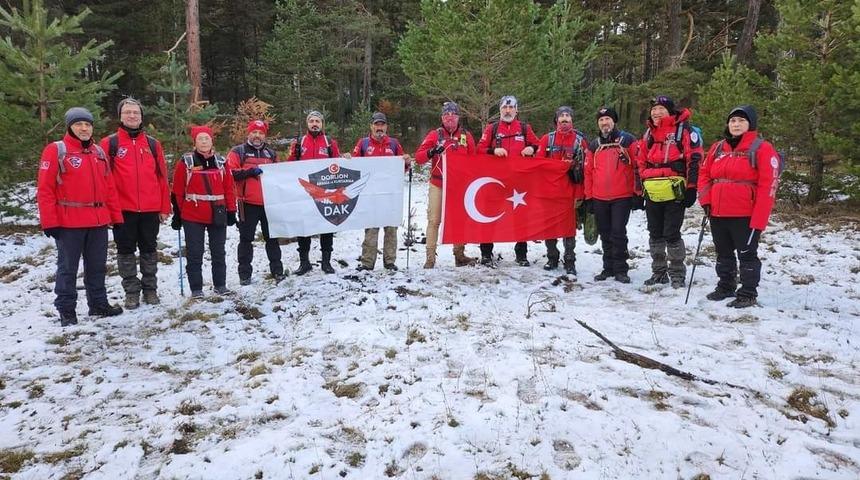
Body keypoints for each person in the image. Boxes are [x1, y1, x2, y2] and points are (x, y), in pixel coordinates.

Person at [37, 107, 124, 326]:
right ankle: (66, 310)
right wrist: (50, 221)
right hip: (69, 222)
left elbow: (109, 188)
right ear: (70, 127)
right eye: (79, 124)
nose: (84, 128)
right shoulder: (56, 150)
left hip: (97, 221)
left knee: (97, 266)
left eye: (87, 124)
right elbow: (45, 189)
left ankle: (98, 304)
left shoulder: (98, 152)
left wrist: (116, 217)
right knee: (68, 268)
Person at [698, 105, 779, 308]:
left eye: (741, 121)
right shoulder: (718, 148)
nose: (736, 124)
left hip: (745, 214)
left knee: (746, 254)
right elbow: (704, 174)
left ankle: (748, 292)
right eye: (733, 120)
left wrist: (759, 218)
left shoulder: (762, 148)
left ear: (750, 124)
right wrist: (706, 201)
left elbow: (768, 185)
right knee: (723, 253)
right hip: (717, 211)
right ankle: (726, 286)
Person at [100, 98, 170, 309]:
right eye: (128, 112)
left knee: (149, 249)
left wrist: (165, 206)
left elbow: (162, 177)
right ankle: (131, 291)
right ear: (120, 116)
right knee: (125, 251)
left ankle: (150, 289)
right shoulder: (109, 143)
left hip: (150, 209)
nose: (132, 116)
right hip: (123, 209)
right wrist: (109, 210)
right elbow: (104, 179)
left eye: (136, 113)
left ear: (141, 117)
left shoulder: (152, 144)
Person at [636, 95, 703, 288]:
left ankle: (677, 273)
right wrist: (641, 187)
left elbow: (695, 159)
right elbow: (641, 161)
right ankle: (658, 272)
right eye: (654, 109)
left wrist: (691, 187)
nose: (656, 112)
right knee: (655, 232)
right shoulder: (649, 133)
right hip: (653, 189)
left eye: (661, 109)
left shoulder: (685, 131)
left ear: (670, 111)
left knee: (671, 232)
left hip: (675, 189)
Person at [171, 125, 237, 298]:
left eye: (206, 138)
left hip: (218, 212)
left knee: (218, 251)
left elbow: (229, 188)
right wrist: (177, 214)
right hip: (193, 214)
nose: (204, 141)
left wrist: (232, 210)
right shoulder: (186, 162)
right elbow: (178, 190)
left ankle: (220, 285)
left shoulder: (221, 162)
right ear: (195, 142)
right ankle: (196, 289)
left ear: (211, 140)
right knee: (194, 252)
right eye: (200, 138)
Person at [476, 95, 541, 266]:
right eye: (504, 107)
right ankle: (486, 253)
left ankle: (521, 254)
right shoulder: (492, 128)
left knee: (521, 218)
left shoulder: (525, 128)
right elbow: (479, 149)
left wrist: (531, 148)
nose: (508, 110)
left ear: (516, 110)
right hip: (496, 181)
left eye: (511, 107)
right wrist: (493, 151)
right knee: (490, 216)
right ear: (500, 110)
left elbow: (539, 145)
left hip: (519, 182)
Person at [415, 101, 478, 269]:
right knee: (434, 220)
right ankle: (430, 257)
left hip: (459, 186)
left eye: (453, 115)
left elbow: (475, 161)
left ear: (458, 117)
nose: (450, 118)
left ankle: (459, 254)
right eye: (446, 115)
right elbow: (419, 157)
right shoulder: (435, 135)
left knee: (458, 219)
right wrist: (431, 151)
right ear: (442, 118)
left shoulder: (466, 136)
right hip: (438, 183)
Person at [584, 106, 640, 284]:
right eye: (601, 120)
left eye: (607, 119)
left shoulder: (628, 140)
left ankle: (621, 269)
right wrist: (589, 197)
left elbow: (638, 166)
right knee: (605, 232)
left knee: (618, 232)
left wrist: (637, 193)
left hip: (621, 196)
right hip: (599, 197)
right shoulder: (594, 145)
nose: (604, 123)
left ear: (614, 121)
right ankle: (608, 267)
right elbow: (588, 172)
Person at [227, 119, 284, 285]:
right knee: (246, 239)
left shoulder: (271, 154)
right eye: (254, 132)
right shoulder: (238, 151)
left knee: (272, 238)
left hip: (269, 203)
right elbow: (231, 173)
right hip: (247, 203)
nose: (257, 135)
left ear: (264, 135)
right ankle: (244, 274)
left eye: (260, 133)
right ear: (249, 133)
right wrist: (250, 171)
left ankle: (277, 270)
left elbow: (281, 175)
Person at [352, 112, 411, 271]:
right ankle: (367, 263)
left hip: (391, 194)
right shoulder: (363, 143)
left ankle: (389, 262)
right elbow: (354, 166)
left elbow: (403, 168)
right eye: (376, 125)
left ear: (386, 127)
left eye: (382, 125)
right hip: (370, 194)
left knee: (391, 228)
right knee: (371, 229)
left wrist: (406, 162)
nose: (379, 128)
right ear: (371, 126)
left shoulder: (394, 143)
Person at [287, 110, 342, 275]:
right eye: (311, 121)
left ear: (322, 123)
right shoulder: (299, 142)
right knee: (304, 227)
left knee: (327, 225)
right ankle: (304, 263)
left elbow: (337, 164)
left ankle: (326, 262)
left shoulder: (329, 142)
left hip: (325, 191)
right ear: (307, 123)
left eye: (317, 121)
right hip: (304, 191)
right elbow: (289, 165)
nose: (314, 124)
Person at [536, 106, 587, 276]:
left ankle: (570, 259)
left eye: (568, 116)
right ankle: (552, 257)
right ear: (556, 120)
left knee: (568, 228)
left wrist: (580, 194)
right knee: (549, 227)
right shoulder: (546, 140)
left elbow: (584, 171)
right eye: (561, 116)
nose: (564, 119)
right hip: (549, 192)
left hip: (569, 192)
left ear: (572, 120)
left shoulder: (580, 141)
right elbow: (538, 165)